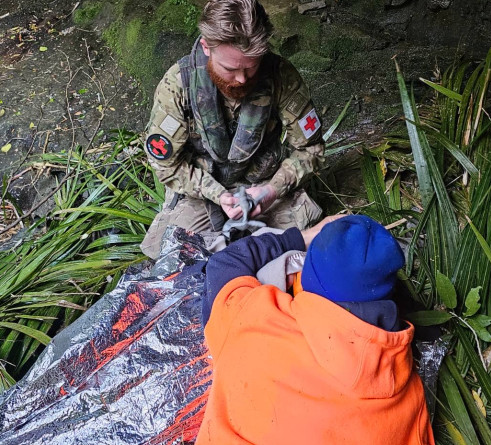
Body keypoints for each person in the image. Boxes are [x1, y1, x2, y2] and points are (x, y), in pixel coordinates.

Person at [197, 214, 435, 444]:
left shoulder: (254, 318)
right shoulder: (408, 398)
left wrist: (301, 238)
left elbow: (224, 264)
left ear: (303, 281)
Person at [140, 0, 324, 259]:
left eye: (251, 67)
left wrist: (272, 190)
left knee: (295, 251)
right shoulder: (178, 86)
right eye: (230, 69)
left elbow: (310, 148)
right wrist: (217, 194)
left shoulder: (281, 76)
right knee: (175, 256)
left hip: (263, 182)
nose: (241, 79)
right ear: (207, 47)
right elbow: (167, 165)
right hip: (202, 188)